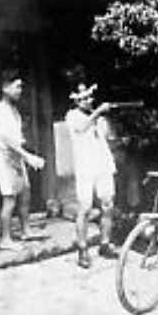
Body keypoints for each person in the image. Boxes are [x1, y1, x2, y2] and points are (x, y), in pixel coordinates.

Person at [65, 83, 119, 269]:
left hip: (103, 164)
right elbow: (80, 129)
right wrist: (97, 114)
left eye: (89, 97)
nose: (88, 101)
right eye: (83, 98)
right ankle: (82, 248)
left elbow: (110, 137)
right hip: (85, 167)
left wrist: (103, 118)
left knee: (108, 204)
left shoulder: (99, 118)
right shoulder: (72, 116)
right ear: (77, 101)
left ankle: (105, 243)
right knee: (85, 207)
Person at [0, 70, 45, 250]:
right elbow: (6, 139)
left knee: (25, 195)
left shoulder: (13, 110)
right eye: (17, 86)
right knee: (9, 199)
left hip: (16, 157)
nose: (20, 90)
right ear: (5, 88)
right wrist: (28, 156)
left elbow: (16, 138)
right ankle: (5, 239)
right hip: (4, 158)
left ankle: (26, 230)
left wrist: (26, 154)